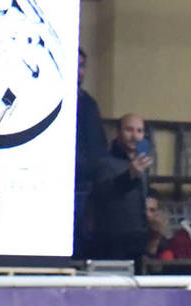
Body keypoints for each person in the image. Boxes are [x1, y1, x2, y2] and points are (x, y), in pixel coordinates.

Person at [89, 113, 153, 261]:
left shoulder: (141, 162)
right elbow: (102, 195)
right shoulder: (104, 162)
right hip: (112, 241)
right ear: (117, 132)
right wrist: (129, 176)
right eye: (129, 130)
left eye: (139, 131)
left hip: (138, 238)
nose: (135, 136)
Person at [74, 48, 106, 258]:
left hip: (84, 184)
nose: (80, 72)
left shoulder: (89, 104)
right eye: (76, 66)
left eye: (82, 66)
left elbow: (97, 146)